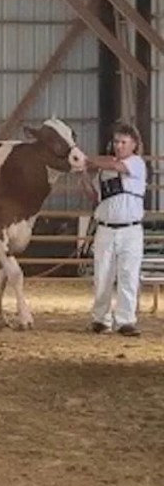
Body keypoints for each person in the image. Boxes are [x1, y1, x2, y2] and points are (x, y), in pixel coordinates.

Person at [82, 122, 146, 336]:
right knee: (102, 275)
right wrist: (81, 173)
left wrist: (88, 160)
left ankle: (126, 320)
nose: (119, 146)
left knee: (128, 275)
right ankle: (101, 319)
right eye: (116, 142)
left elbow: (116, 166)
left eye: (123, 142)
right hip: (106, 228)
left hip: (130, 230)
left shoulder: (136, 163)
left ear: (133, 144)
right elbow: (93, 196)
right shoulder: (103, 171)